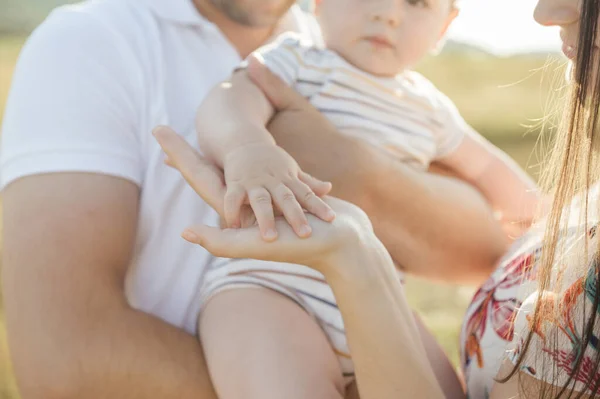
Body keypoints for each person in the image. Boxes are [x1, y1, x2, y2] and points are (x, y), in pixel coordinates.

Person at [0, 0, 508, 397]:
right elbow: (64, 363)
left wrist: (353, 167)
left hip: (362, 301)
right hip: (260, 310)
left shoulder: (348, 48)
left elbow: (485, 244)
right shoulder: (92, 40)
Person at [155, 0, 600, 396]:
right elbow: (230, 99)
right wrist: (247, 148)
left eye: (417, 3)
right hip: (268, 286)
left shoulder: (430, 106)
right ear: (317, 4)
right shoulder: (298, 59)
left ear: (445, 26)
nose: (387, 13)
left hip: (382, 294)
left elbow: (488, 170)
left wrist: (548, 225)